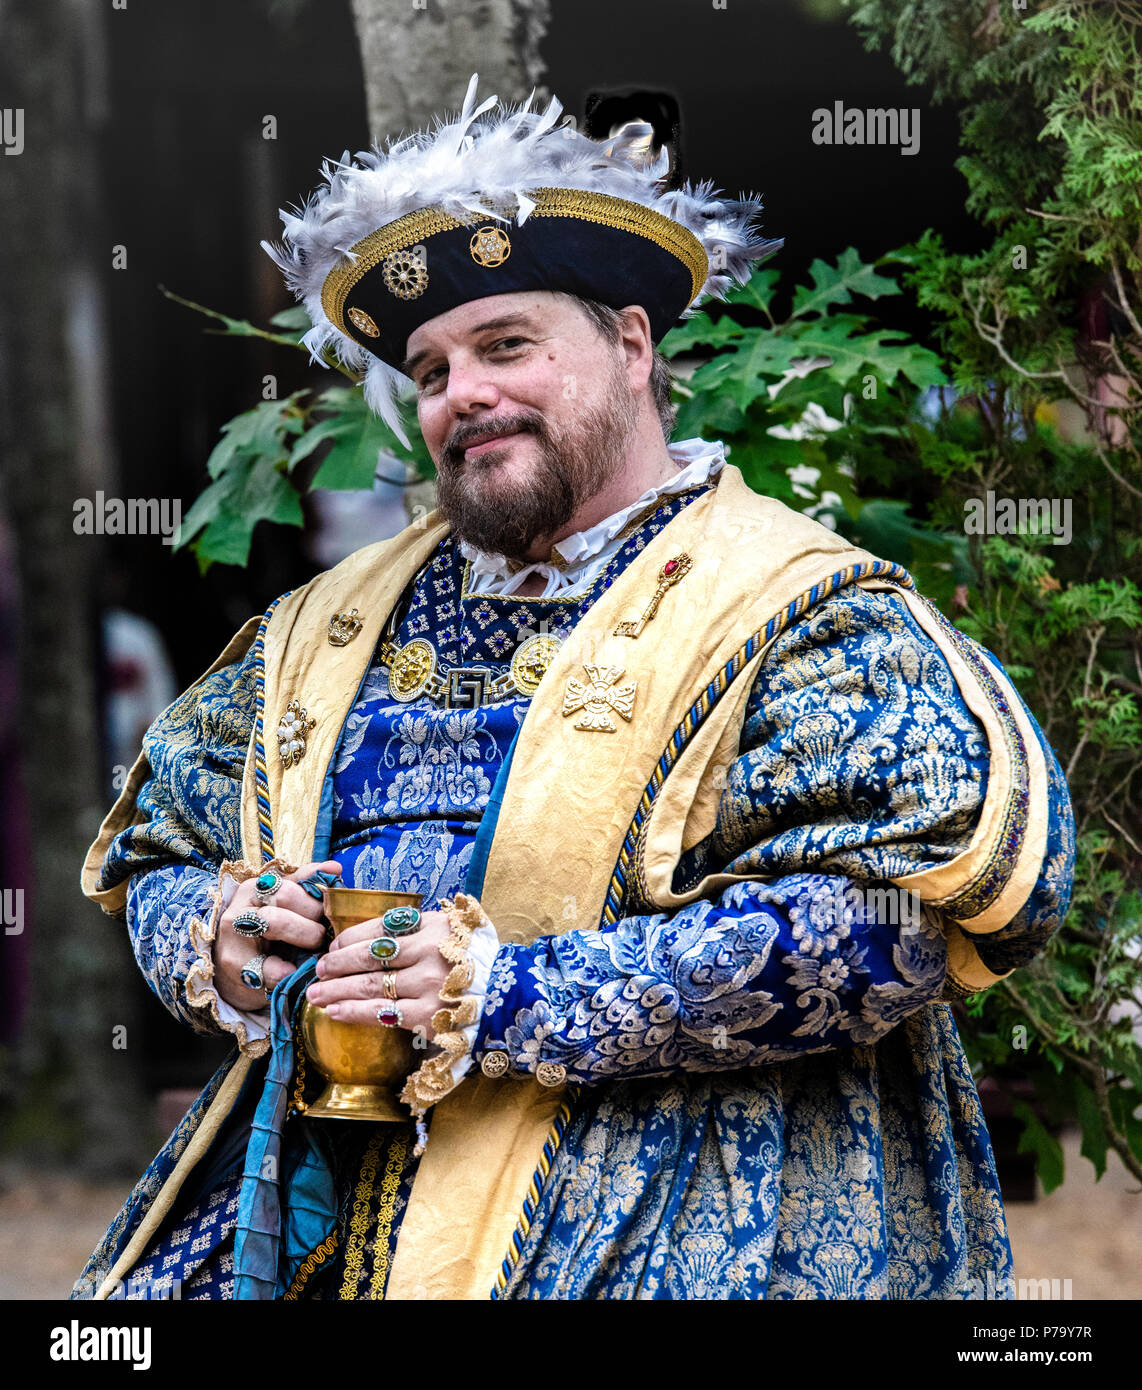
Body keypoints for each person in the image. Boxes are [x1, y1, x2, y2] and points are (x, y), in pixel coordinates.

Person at [74, 77, 1074, 1301]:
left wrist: (506, 999)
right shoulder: (328, 622)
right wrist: (223, 942)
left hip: (701, 1201)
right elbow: (163, 853)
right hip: (320, 1192)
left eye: (505, 345)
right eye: (433, 370)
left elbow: (893, 928)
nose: (464, 395)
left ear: (632, 345)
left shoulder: (801, 606)